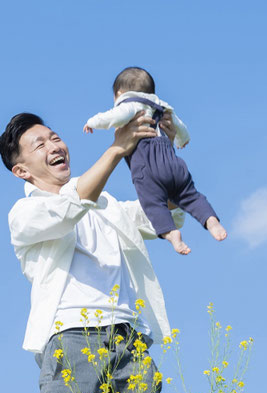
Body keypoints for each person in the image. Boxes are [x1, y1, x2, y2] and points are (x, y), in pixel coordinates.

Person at [0, 112, 184, 393]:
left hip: (129, 338)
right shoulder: (25, 213)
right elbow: (70, 208)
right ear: (21, 170)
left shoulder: (105, 203)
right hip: (73, 337)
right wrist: (114, 151)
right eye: (39, 145)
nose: (54, 146)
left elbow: (164, 209)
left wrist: (164, 149)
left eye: (55, 138)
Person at [84, 66, 227, 255]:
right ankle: (211, 220)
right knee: (191, 194)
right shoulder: (162, 105)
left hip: (148, 166)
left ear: (119, 93)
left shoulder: (130, 104)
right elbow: (179, 126)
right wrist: (182, 140)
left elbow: (114, 117)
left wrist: (93, 122)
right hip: (173, 162)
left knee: (152, 202)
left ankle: (170, 233)